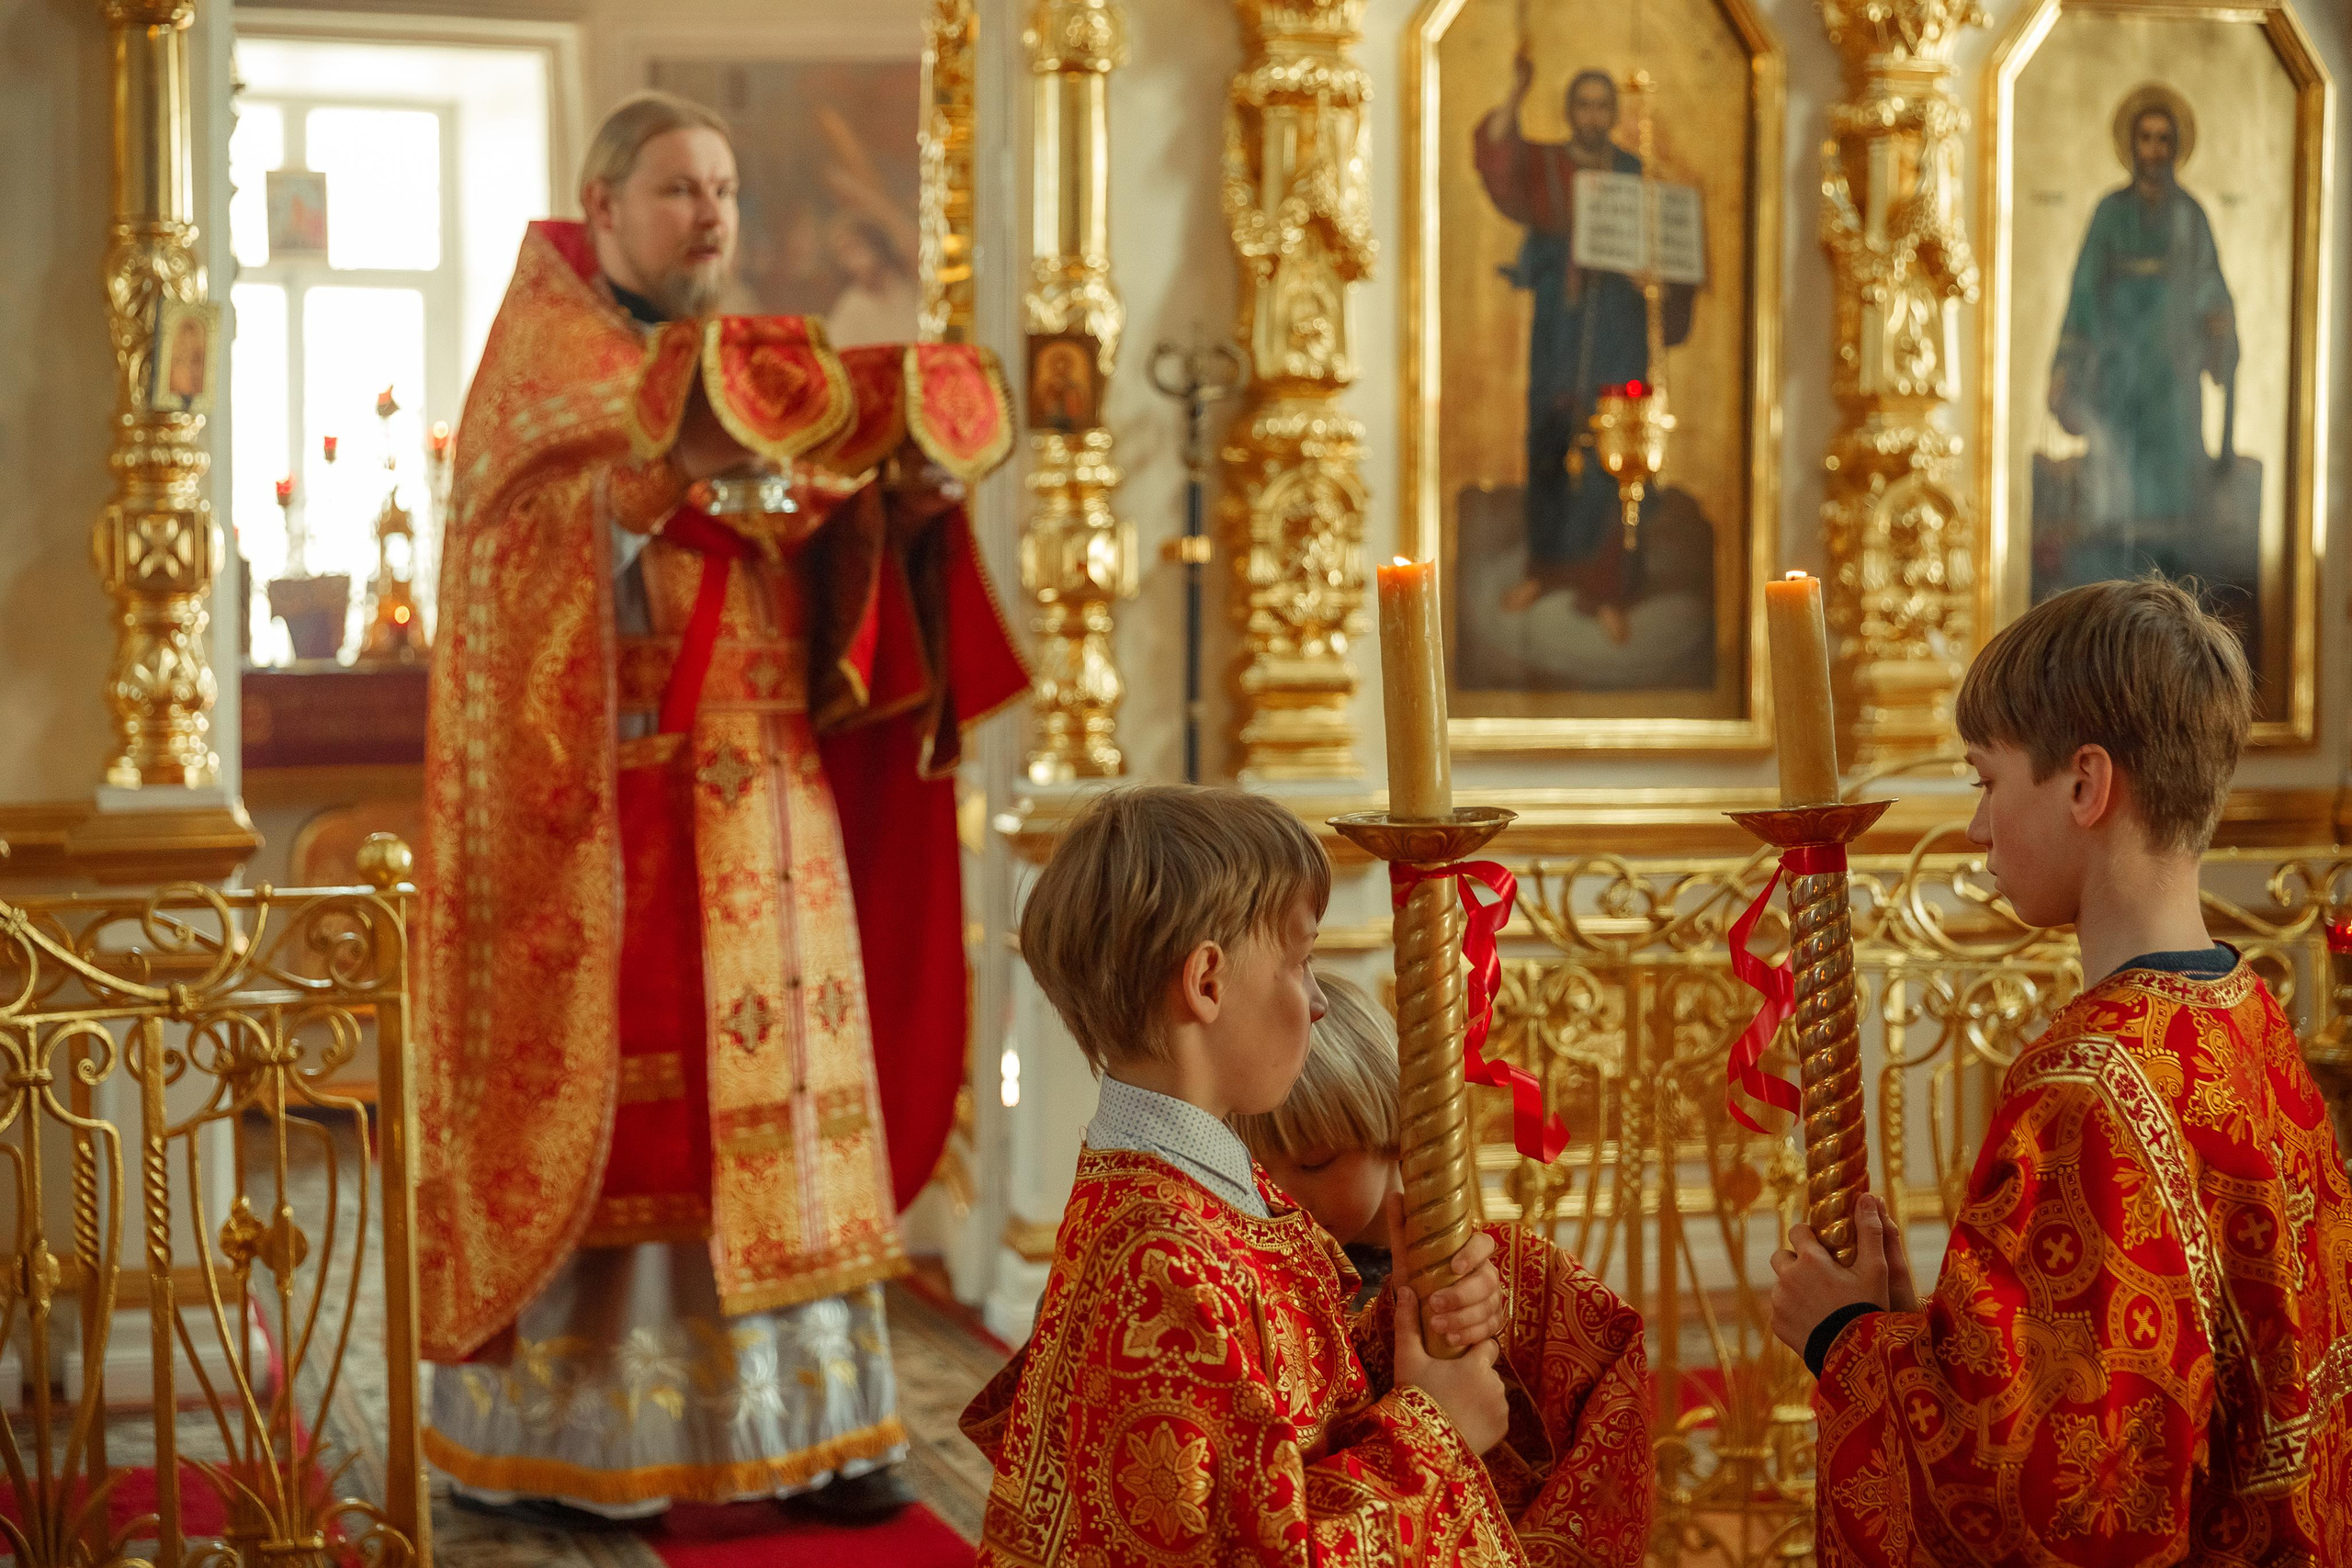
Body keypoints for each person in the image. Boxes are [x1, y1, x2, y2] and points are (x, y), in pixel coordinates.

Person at [415, 89, 999, 1530]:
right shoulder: (548, 362)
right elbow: (510, 544)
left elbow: (803, 573)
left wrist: (899, 510)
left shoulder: (751, 367)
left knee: (804, 1130)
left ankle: (822, 1426)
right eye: (681, 189)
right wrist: (658, 485)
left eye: (725, 189)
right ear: (604, 205)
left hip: (774, 803)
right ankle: (605, 1443)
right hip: (615, 821)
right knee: (650, 1138)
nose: (712, 215)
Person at [1769, 578, 2352, 1567]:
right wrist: (1926, 1334)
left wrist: (1843, 1339)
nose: (1976, 828)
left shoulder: (2087, 1085)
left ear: (2085, 785)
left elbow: (2049, 1501)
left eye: (1986, 781)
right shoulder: (2244, 1018)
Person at [961, 786, 1535, 1564]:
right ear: (1207, 982)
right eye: (1300, 960)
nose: (1320, 1001)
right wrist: (1436, 1428)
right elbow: (1260, 1550)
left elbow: (1280, 1417)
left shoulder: (1184, 1190)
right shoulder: (1164, 1254)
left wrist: (1410, 1318)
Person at [1232, 973, 1656, 1567]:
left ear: (1397, 1136)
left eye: (1314, 1160)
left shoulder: (1488, 1273)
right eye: (1251, 1164)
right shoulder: (1241, 1274)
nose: (1275, 1190)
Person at [1474, 62, 1694, 639]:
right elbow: (1499, 165)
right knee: (1547, 444)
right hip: (1561, 325)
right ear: (1570, 110)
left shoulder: (1635, 174)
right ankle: (1544, 569)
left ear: (1613, 114)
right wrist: (1516, 91)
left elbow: (1672, 259)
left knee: (1616, 454)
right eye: (1584, 104)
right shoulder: (1548, 166)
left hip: (1619, 330)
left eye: (1603, 105)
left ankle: (1609, 590)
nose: (1594, 115)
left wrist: (1659, 282)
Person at [2044, 88, 2239, 587]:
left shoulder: (2189, 216)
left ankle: (2173, 593)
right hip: (2117, 371)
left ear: (2175, 148)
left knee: (2173, 491)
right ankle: (2115, 595)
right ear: (2133, 145)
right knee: (2115, 494)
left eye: (2164, 140)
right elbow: (2084, 293)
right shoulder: (2110, 213)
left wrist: (2218, 327)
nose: (2154, 150)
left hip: (2172, 372)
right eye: (2146, 139)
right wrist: (2066, 368)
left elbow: (2210, 286)